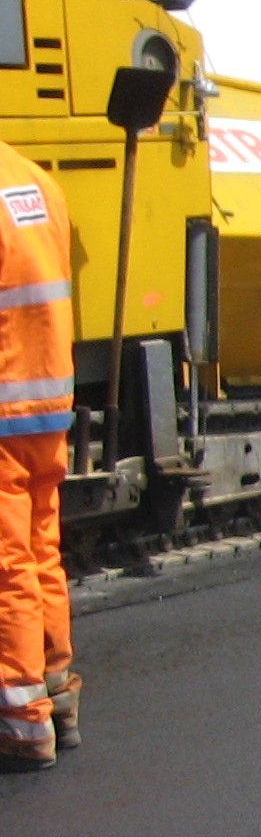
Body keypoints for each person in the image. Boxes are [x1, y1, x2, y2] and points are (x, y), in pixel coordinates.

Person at [0, 137, 77, 773]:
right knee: (43, 552)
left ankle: (24, 728)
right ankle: (58, 697)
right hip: (48, 406)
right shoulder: (38, 182)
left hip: (1, 411)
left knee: (7, 567)